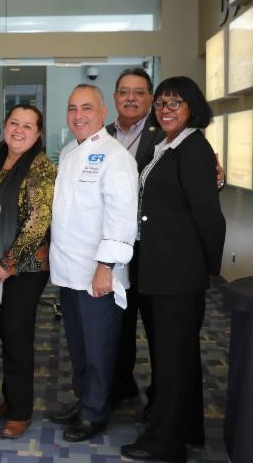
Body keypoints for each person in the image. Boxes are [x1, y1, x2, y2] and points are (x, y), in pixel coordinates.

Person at [121, 77, 225, 463]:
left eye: (175, 103)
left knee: (171, 362)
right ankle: (191, 428)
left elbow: (209, 219)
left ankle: (165, 443)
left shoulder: (194, 148)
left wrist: (207, 271)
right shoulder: (166, 145)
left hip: (178, 276)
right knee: (179, 358)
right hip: (161, 271)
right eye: (161, 103)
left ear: (192, 108)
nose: (165, 109)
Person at [48, 84, 138, 442]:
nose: (78, 115)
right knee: (79, 345)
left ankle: (96, 412)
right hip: (69, 271)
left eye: (86, 107)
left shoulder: (115, 156)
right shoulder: (70, 151)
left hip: (99, 273)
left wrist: (107, 266)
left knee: (99, 348)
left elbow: (122, 216)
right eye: (72, 108)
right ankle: (85, 399)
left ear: (102, 112)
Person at [0, 104, 56, 439]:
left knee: (17, 334)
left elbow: (38, 224)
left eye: (28, 126)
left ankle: (21, 411)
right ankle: (10, 400)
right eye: (14, 123)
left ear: (38, 133)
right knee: (5, 330)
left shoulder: (41, 168)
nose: (19, 130)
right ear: (5, 125)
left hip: (25, 267)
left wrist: (8, 264)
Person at [105, 68, 163, 408]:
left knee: (156, 325)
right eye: (124, 91)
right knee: (118, 321)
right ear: (115, 98)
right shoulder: (101, 135)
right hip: (113, 245)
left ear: (150, 98)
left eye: (139, 92)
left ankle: (159, 395)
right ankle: (120, 384)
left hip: (151, 248)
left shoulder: (166, 134)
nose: (131, 98)